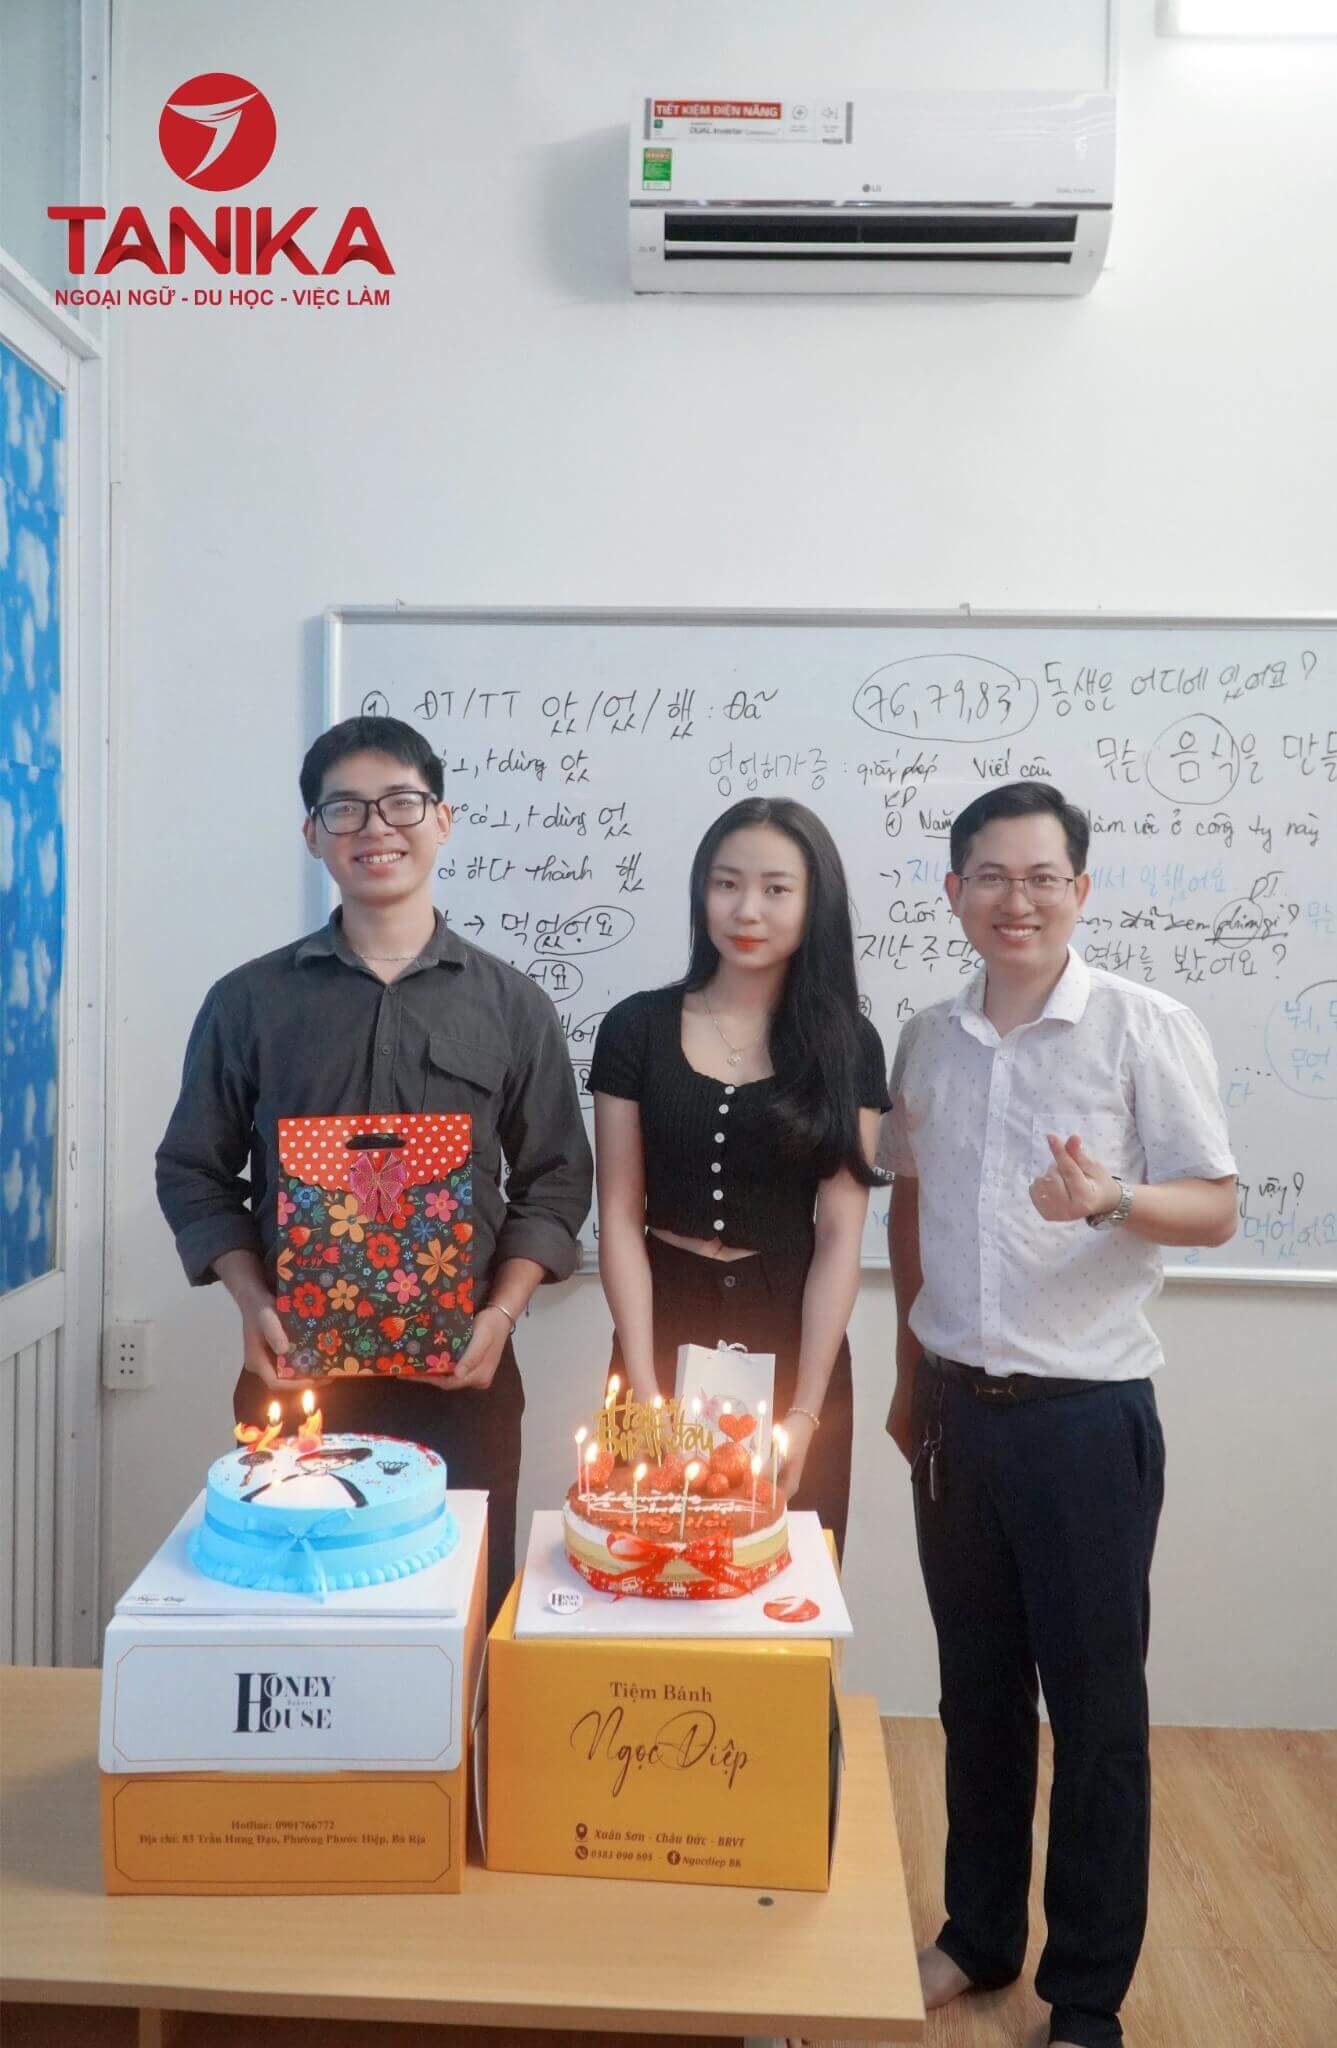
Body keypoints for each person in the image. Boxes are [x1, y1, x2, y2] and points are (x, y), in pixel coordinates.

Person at [881, 781, 1238, 2048]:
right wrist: (906, 1370)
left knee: (1094, 1717)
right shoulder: (926, 1038)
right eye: (989, 875)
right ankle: (976, 1934)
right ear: (952, 892)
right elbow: (908, 1207)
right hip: (953, 1415)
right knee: (972, 1695)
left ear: (1078, 890)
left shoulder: (1141, 1025)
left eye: (1041, 876)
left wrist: (1109, 1201)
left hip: (1084, 1421)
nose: (1015, 899)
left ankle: (1083, 1995)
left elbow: (1214, 1205)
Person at [156, 714, 592, 1623]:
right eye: (344, 808)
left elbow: (555, 1180)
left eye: (400, 803)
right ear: (311, 833)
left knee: (461, 1618)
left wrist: (500, 1316)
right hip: (294, 1374)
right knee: (293, 1614)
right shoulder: (248, 1002)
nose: (374, 828)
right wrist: (253, 1302)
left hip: (466, 1377)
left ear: (443, 819)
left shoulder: (512, 1004)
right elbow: (194, 1170)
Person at [589, 797, 889, 1558]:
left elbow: (839, 1237)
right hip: (659, 1325)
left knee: (783, 1572)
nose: (747, 909)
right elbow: (618, 1214)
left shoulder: (848, 1044)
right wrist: (644, 1387)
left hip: (794, 1341)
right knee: (645, 1563)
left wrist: (806, 1412)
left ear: (814, 902)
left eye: (776, 889)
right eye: (726, 884)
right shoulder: (636, 1027)